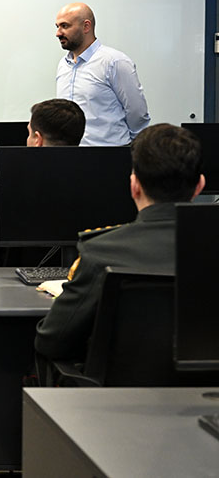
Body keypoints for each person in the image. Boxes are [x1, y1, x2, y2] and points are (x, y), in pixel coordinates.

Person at [33, 123, 204, 373]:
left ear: (134, 186)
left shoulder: (100, 252)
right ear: (200, 186)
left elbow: (51, 342)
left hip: (118, 395)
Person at [0, 98, 86, 267]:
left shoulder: (9, 186)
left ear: (37, 139)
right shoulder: (100, 184)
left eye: (29, 133)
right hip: (81, 278)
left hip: (15, 281)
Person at [54, 2, 150, 146]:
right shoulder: (63, 65)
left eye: (64, 26)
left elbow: (137, 114)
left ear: (86, 26)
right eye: (57, 27)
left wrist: (128, 149)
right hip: (70, 153)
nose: (58, 33)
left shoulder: (114, 62)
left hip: (109, 154)